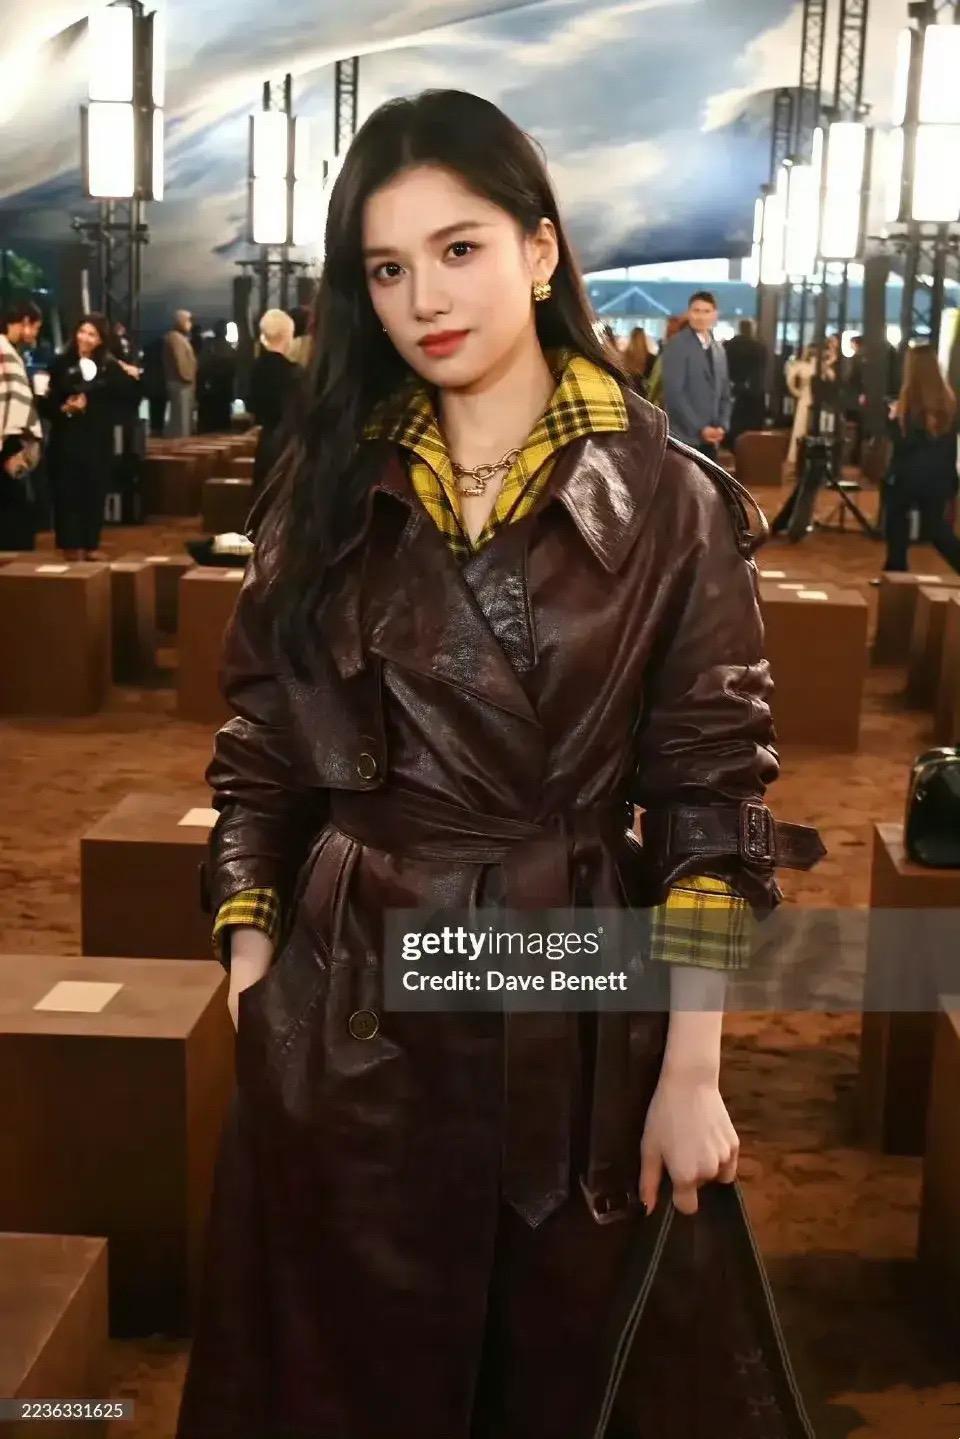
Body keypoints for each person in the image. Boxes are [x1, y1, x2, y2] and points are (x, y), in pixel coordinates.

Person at [176, 89, 824, 1439]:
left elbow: (713, 798)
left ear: (539, 248)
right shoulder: (325, 486)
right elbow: (261, 752)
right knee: (337, 1383)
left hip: (570, 999)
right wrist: (254, 971)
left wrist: (691, 1069)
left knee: (559, 1374)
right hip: (345, 1009)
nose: (424, 298)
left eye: (458, 248)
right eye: (386, 267)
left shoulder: (671, 499)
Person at [41, 314, 141, 561]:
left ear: (101, 340)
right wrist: (65, 409)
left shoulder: (109, 366)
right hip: (66, 437)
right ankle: (70, 545)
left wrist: (132, 375)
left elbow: (129, 397)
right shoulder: (60, 363)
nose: (84, 338)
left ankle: (90, 544)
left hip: (97, 438)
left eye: (92, 334)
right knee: (67, 491)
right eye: (82, 331)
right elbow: (45, 403)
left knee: (94, 490)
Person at [881, 345, 960, 575]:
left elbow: (904, 444)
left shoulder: (909, 403)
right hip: (940, 477)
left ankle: (896, 571)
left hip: (908, 476)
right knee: (935, 529)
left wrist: (892, 420)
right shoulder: (949, 402)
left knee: (896, 519)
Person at [660, 290, 732, 459]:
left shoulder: (718, 349)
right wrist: (701, 428)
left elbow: (725, 392)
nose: (701, 316)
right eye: (696, 311)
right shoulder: (677, 345)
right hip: (685, 438)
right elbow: (674, 394)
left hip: (712, 438)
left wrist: (722, 425)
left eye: (706, 311)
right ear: (689, 313)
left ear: (715, 315)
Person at [0, 300, 43, 550]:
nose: (35, 334)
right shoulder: (5, 351)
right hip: (10, 439)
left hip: (10, 436)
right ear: (25, 322)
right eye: (36, 328)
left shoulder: (9, 350)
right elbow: (10, 400)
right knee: (18, 504)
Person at [246, 308, 301, 493]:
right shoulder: (294, 372)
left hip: (264, 442)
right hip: (286, 446)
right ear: (288, 336)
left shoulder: (256, 368)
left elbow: (251, 405)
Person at [723, 317, 767, 447]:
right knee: (752, 422)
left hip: (733, 387)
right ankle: (751, 447)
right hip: (754, 390)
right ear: (752, 329)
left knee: (735, 419)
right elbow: (761, 370)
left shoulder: (729, 345)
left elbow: (724, 368)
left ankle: (732, 444)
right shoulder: (759, 347)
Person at [197, 320, 237, 433]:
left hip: (212, 387)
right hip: (220, 388)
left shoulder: (209, 345)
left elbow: (202, 366)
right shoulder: (227, 348)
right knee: (221, 418)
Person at [163, 308, 197, 437]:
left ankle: (181, 440)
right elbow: (180, 360)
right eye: (188, 320)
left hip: (182, 382)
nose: (190, 324)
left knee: (183, 418)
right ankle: (179, 442)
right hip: (180, 382)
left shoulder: (179, 338)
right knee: (181, 420)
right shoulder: (175, 338)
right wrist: (187, 377)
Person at [622, 326, 656, 396]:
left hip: (629, 393)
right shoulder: (651, 358)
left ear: (631, 338)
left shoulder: (624, 356)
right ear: (644, 339)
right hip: (644, 394)